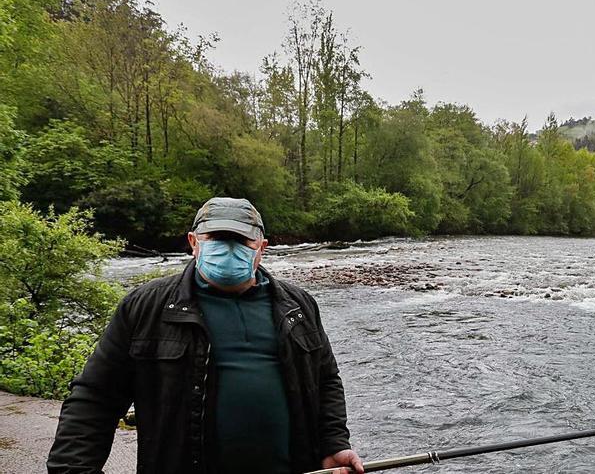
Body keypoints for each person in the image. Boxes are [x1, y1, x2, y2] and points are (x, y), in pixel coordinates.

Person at [47, 197, 365, 474]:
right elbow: (95, 397)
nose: (228, 249)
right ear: (193, 242)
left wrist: (333, 443)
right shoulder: (146, 307)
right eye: (216, 238)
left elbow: (326, 379)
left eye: (241, 241)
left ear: (261, 248)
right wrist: (74, 469)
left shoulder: (299, 307)